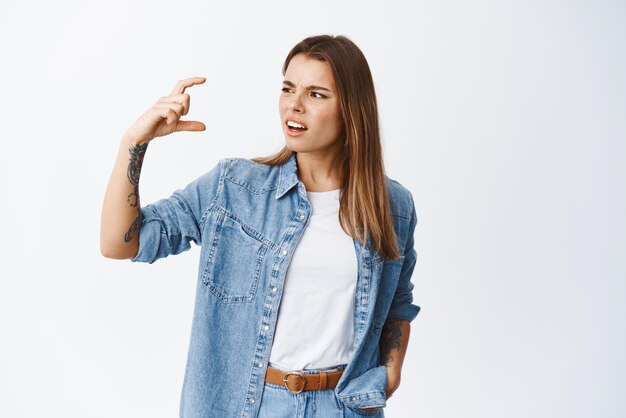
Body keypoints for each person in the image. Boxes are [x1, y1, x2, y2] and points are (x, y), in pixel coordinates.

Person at [100, 34, 420, 418]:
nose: (294, 105)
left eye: (316, 94)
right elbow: (121, 244)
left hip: (344, 406)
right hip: (252, 404)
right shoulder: (234, 188)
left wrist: (390, 373)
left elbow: (397, 302)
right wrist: (133, 143)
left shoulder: (392, 206)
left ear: (352, 109)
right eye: (288, 88)